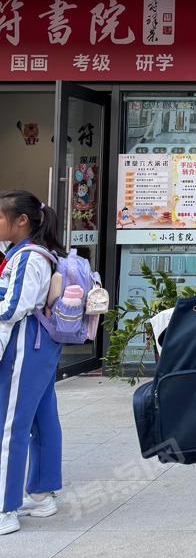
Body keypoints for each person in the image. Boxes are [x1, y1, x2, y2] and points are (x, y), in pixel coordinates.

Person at [0, 191, 65, 536]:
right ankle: (41, 494)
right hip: (42, 344)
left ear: (21, 221)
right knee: (42, 418)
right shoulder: (39, 252)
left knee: (9, 426)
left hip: (24, 343)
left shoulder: (27, 256)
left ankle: (4, 508)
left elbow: (14, 307)